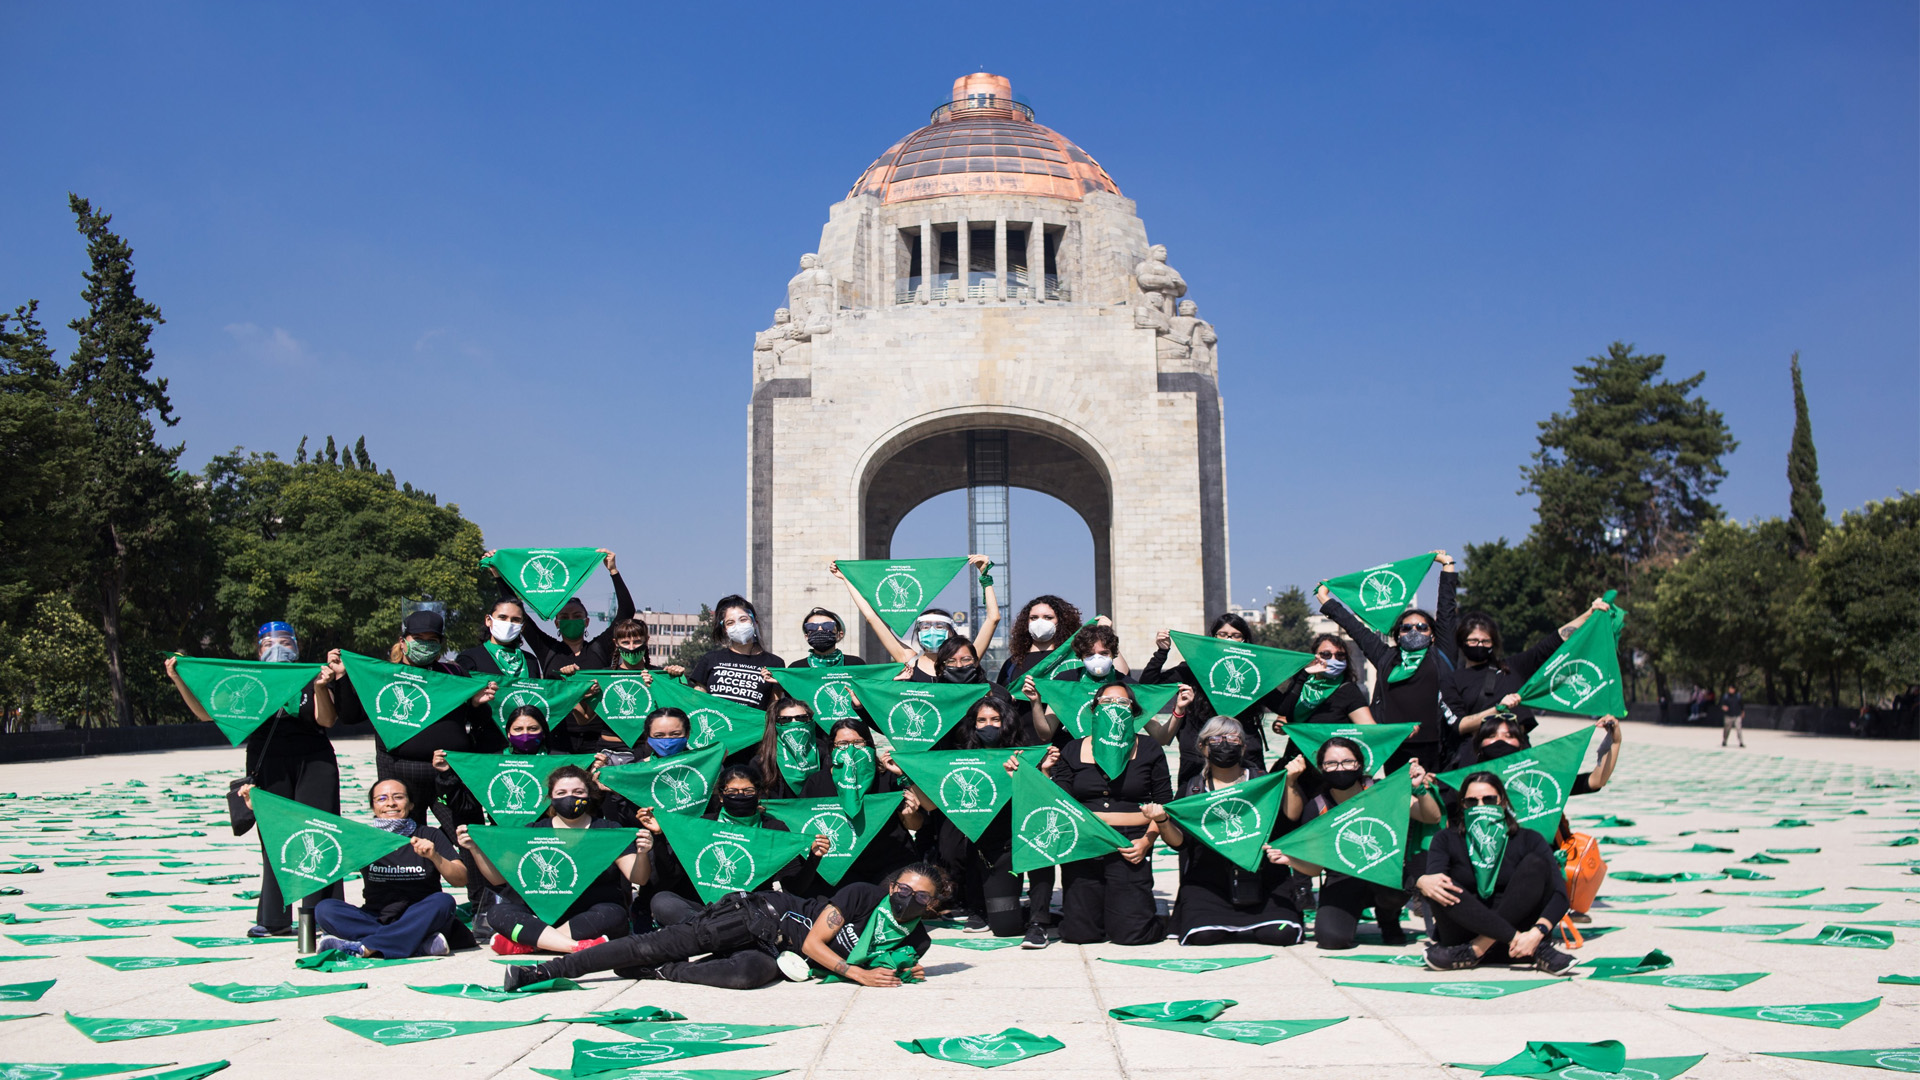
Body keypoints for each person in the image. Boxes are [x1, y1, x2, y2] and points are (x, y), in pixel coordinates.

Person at [501, 863, 952, 991]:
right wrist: (857, 973)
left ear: (933, 906)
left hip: (779, 953)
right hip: (762, 915)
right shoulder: (863, 895)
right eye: (903, 888)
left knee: (747, 975)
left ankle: (663, 972)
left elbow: (899, 963)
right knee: (649, 945)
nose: (906, 898)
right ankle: (542, 972)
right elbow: (818, 942)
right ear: (891, 885)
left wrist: (902, 970)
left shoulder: (918, 939)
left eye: (920, 897)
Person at [166, 621, 342, 938]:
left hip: (314, 760)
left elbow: (327, 719)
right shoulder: (248, 681)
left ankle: (321, 919)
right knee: (274, 836)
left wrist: (319, 686)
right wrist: (179, 678)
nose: (278, 649)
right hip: (268, 761)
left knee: (319, 835)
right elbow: (206, 713)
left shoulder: (310, 675)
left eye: (285, 642)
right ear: (258, 650)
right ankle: (274, 919)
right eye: (269, 644)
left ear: (297, 646)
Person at [328, 609, 500, 832]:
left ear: (440, 644)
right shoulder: (384, 674)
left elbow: (476, 722)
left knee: (470, 836)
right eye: (418, 639)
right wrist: (341, 677)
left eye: (432, 640)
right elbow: (351, 717)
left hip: (450, 770)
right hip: (399, 770)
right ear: (403, 642)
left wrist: (477, 704)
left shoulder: (455, 674)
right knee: (404, 840)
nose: (425, 645)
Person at [1143, 717, 1305, 947]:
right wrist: (1162, 821)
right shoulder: (1192, 789)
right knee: (1202, 936)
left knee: (1280, 934)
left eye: (1232, 738)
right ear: (1202, 747)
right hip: (1209, 879)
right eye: (1216, 739)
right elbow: (1179, 843)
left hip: (1262, 876)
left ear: (1244, 747)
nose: (1225, 744)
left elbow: (1291, 818)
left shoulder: (1263, 781)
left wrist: (1291, 783)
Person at [913, 693, 1059, 945]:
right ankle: (1007, 911)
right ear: (973, 724)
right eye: (981, 720)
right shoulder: (962, 760)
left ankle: (1039, 921)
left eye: (995, 719)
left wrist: (1042, 770)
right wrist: (907, 772)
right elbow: (930, 804)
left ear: (1007, 722)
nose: (988, 725)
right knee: (1005, 927)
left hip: (1027, 837)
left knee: (1040, 850)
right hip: (995, 849)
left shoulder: (1027, 754)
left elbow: (1046, 800)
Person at [459, 764, 651, 955]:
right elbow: (498, 879)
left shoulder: (609, 831)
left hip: (589, 914)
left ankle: (534, 943)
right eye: (561, 793)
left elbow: (638, 878)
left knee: (613, 915)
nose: (570, 797)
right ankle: (574, 946)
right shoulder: (532, 831)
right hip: (540, 914)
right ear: (550, 797)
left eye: (578, 792)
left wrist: (642, 853)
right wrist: (475, 848)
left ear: (589, 795)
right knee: (499, 913)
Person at [1277, 737, 1442, 950]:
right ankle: (1349, 915)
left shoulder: (1382, 790)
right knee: (1331, 940)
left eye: (1347, 761)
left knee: (1393, 892)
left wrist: (1419, 790)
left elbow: (1431, 817)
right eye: (1331, 763)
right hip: (1341, 878)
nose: (1340, 768)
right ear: (1321, 768)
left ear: (1360, 764)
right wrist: (1291, 860)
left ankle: (1388, 917)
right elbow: (1315, 869)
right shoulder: (1316, 807)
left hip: (1383, 870)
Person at [1041, 681, 1172, 946]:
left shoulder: (1149, 748)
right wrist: (1045, 772)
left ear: (1134, 711)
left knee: (1131, 936)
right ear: (1094, 709)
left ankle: (1150, 914)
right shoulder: (1072, 749)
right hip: (1085, 844)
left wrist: (1146, 841)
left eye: (1122, 702)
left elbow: (1164, 803)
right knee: (1080, 934)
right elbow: (1058, 802)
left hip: (1130, 842)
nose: (1114, 707)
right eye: (1106, 702)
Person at [1418, 772, 1577, 974]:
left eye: (1489, 800)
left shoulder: (1529, 839)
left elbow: (1560, 894)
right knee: (1437, 883)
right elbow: (1435, 881)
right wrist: (1422, 881)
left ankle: (1479, 949)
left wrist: (1537, 933)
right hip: (1464, 935)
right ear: (1463, 805)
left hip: (1517, 942)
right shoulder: (1446, 839)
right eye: (1472, 801)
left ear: (1503, 802)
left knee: (1536, 864)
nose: (1481, 806)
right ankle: (1530, 948)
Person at [1314, 550, 1459, 771]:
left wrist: (1447, 565)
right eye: (1406, 628)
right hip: (1395, 747)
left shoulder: (1441, 654)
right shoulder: (1385, 657)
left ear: (1433, 635)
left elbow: (1447, 610)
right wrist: (1325, 599)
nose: (1414, 631)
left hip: (1439, 748)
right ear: (1397, 635)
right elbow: (1355, 628)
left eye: (1421, 627)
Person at [636, 765, 830, 929]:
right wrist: (659, 836)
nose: (740, 796)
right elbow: (671, 874)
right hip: (701, 908)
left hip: (750, 908)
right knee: (662, 901)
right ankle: (714, 930)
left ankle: (709, 932)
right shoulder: (703, 824)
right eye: (732, 792)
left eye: (748, 791)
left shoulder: (773, 829)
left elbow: (794, 887)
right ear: (721, 796)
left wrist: (814, 858)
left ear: (758, 794)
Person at [314, 779, 470, 958]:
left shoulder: (429, 834)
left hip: (420, 916)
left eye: (398, 797)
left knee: (443, 901)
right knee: (325, 909)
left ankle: (367, 947)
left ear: (411, 804)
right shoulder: (363, 839)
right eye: (381, 798)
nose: (390, 803)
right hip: (376, 916)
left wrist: (435, 856)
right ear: (373, 806)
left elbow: (461, 879)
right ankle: (417, 943)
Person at [1141, 614, 1289, 787]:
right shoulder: (1196, 666)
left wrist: (1300, 675)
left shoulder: (1253, 671)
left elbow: (1283, 706)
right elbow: (1148, 686)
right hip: (1198, 755)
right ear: (1213, 638)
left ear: (1245, 640)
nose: (1229, 639)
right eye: (1223, 634)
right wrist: (1162, 652)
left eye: (1236, 635)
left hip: (1244, 753)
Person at [1443, 598, 1613, 742]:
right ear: (1462, 642)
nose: (1479, 645)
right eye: (1473, 641)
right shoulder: (1451, 680)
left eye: (1485, 641)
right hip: (1477, 758)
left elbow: (1552, 643)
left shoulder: (1512, 667)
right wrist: (1499, 709)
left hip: (1518, 755)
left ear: (1493, 643)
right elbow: (1459, 725)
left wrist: (1589, 615)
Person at [790, 716, 925, 897]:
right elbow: (803, 825)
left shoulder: (886, 777)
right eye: (843, 744)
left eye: (858, 743)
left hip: (889, 862)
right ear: (832, 748)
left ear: (869, 745)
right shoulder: (818, 782)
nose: (851, 749)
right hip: (842, 865)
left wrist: (910, 814)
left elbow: (915, 825)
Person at [834, 555, 998, 679]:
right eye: (925, 627)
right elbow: (871, 617)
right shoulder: (908, 660)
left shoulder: (964, 661)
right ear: (917, 633)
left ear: (951, 632)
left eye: (939, 626)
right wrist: (847, 578)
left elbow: (993, 619)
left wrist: (985, 575)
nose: (932, 631)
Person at [493, 549, 632, 675]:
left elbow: (627, 610)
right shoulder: (547, 649)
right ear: (557, 623)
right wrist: (498, 575)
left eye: (577, 616)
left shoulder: (600, 647)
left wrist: (613, 571)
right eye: (565, 617)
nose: (571, 620)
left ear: (587, 621)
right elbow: (517, 612)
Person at [453, 598, 551, 753]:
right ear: (488, 620)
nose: (508, 623)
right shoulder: (470, 658)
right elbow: (459, 709)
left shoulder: (530, 660)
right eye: (503, 617)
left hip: (528, 747)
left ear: (522, 626)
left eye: (515, 620)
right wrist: (475, 703)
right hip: (488, 747)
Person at [1269, 633, 1374, 769]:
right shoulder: (1301, 682)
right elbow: (1283, 715)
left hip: (1329, 765)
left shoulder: (1348, 691)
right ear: (1314, 657)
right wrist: (1280, 726)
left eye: (1340, 655)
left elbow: (1369, 729)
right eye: (1326, 654)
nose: (1333, 660)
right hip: (1297, 761)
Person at [563, 615, 655, 757]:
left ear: (646, 641)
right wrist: (573, 688)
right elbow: (584, 719)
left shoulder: (659, 676)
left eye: (637, 642)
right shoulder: (604, 678)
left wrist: (675, 677)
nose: (631, 648)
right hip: (609, 751)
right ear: (616, 643)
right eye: (625, 642)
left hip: (647, 751)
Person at [1460, 714, 1625, 795]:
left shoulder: (1537, 779)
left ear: (1521, 745)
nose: (1500, 741)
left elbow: (1596, 781)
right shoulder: (1465, 783)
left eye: (1509, 736)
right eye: (1492, 736)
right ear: (1479, 745)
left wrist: (1614, 741)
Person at [686, 595, 785, 711]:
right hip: (716, 721)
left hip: (752, 723)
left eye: (743, 619)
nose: (738, 626)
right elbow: (696, 701)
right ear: (724, 629)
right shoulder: (711, 659)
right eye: (730, 622)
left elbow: (774, 707)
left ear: (755, 622)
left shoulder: (774, 663)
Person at [994, 594, 1085, 688]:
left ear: (1061, 622)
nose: (1039, 622)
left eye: (1048, 617)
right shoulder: (1012, 664)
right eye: (1034, 618)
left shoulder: (1074, 660)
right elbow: (1001, 694)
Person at [791, 607, 866, 667]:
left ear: (840, 634)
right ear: (806, 636)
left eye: (828, 626)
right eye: (812, 627)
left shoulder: (856, 665)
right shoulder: (796, 669)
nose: (820, 630)